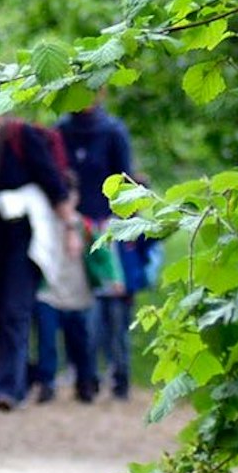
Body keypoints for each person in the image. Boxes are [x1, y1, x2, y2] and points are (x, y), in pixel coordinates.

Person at [0, 106, 70, 410]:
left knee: (14, 310)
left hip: (23, 234)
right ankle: (2, 383)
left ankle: (11, 388)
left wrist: (69, 228)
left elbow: (52, 182)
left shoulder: (23, 136)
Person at [58, 94, 137, 400]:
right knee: (79, 309)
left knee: (115, 310)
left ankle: (121, 378)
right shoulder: (62, 130)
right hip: (74, 228)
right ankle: (84, 375)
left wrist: (120, 226)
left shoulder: (114, 131)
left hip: (109, 228)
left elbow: (126, 181)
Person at [33, 178, 124, 403]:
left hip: (79, 293)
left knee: (81, 343)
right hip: (49, 292)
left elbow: (103, 254)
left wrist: (113, 278)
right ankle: (47, 383)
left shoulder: (85, 226)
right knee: (47, 343)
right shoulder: (43, 224)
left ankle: (85, 383)